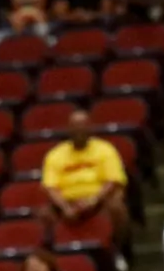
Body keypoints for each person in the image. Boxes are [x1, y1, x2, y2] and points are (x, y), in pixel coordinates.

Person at [42, 109, 129, 254]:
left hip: (98, 201)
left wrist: (93, 200)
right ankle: (55, 257)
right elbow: (50, 187)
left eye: (82, 125)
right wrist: (65, 207)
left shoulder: (105, 149)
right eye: (75, 126)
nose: (79, 130)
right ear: (68, 129)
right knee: (44, 214)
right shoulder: (55, 155)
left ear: (90, 127)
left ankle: (117, 253)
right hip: (67, 203)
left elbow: (112, 182)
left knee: (117, 208)